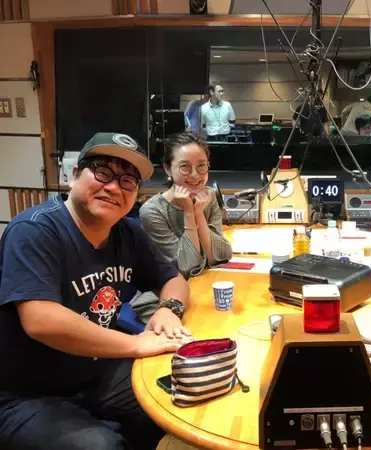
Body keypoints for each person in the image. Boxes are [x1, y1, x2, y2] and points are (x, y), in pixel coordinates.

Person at [0, 132, 191, 450]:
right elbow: (41, 320)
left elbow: (174, 279)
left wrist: (169, 308)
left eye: (128, 181)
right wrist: (136, 344)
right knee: (102, 446)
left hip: (96, 371)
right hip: (26, 393)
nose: (114, 187)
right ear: (73, 175)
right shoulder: (34, 230)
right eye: (102, 172)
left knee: (174, 403)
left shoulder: (127, 232)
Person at [131, 131, 232, 323]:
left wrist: (199, 213)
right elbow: (187, 268)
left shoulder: (208, 197)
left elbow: (220, 256)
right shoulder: (152, 211)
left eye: (201, 165)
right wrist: (189, 213)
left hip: (201, 288)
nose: (195, 175)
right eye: (185, 167)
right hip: (165, 298)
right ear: (168, 169)